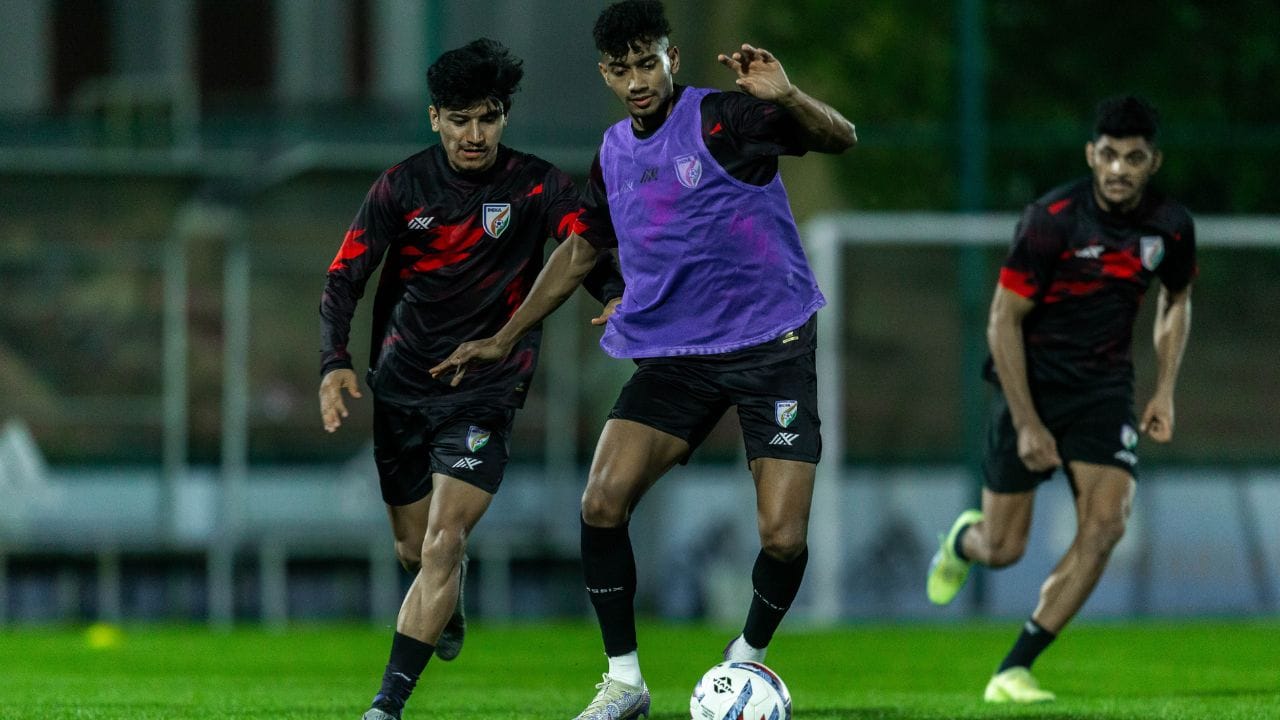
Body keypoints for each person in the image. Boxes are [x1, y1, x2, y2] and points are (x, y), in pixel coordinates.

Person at [431, 2, 855, 717]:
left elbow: (840, 137)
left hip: (771, 343)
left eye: (647, 63)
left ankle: (745, 659)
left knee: (783, 538)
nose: (636, 80)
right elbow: (581, 251)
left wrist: (788, 96)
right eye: (621, 68)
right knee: (601, 501)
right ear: (605, 73)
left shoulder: (723, 119)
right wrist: (505, 335)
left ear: (671, 59)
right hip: (677, 355)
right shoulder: (613, 154)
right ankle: (625, 682)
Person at [318, 38, 623, 720]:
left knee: (442, 542)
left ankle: (387, 704)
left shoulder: (535, 185)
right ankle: (446, 599)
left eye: (487, 118)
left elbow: (583, 245)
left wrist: (612, 290)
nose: (474, 135)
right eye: (459, 120)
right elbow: (344, 278)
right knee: (413, 549)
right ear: (435, 118)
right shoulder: (401, 188)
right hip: (402, 388)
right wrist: (333, 362)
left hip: (486, 389)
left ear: (504, 116)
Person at [926, 95, 1196, 703]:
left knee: (1107, 525)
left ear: (1153, 162)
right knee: (1003, 549)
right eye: (1109, 155)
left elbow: (1176, 299)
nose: (1120, 168)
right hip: (1032, 384)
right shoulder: (1051, 219)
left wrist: (1165, 390)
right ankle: (962, 542)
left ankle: (1014, 669)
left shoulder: (1171, 225)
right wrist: (1027, 423)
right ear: (1091, 155)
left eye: (1134, 157)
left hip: (1104, 392)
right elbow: (1002, 320)